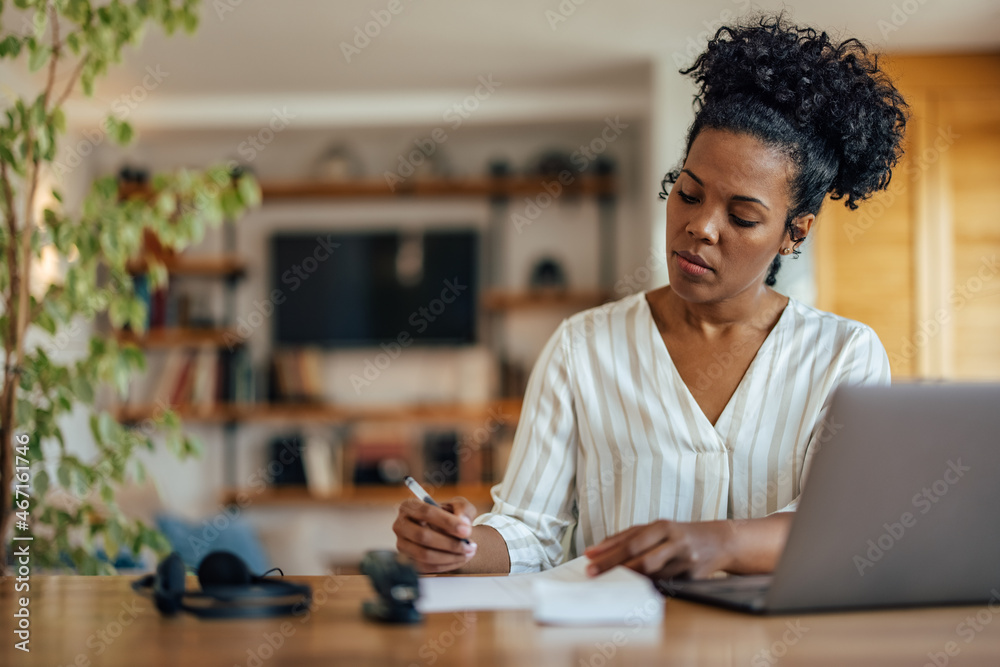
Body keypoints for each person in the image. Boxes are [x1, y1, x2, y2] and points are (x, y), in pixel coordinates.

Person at [392, 13, 908, 581]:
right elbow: (530, 530)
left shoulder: (844, 355)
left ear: (795, 232)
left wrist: (724, 544)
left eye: (741, 216)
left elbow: (845, 527)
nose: (701, 227)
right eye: (688, 194)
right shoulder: (584, 347)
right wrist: (460, 546)